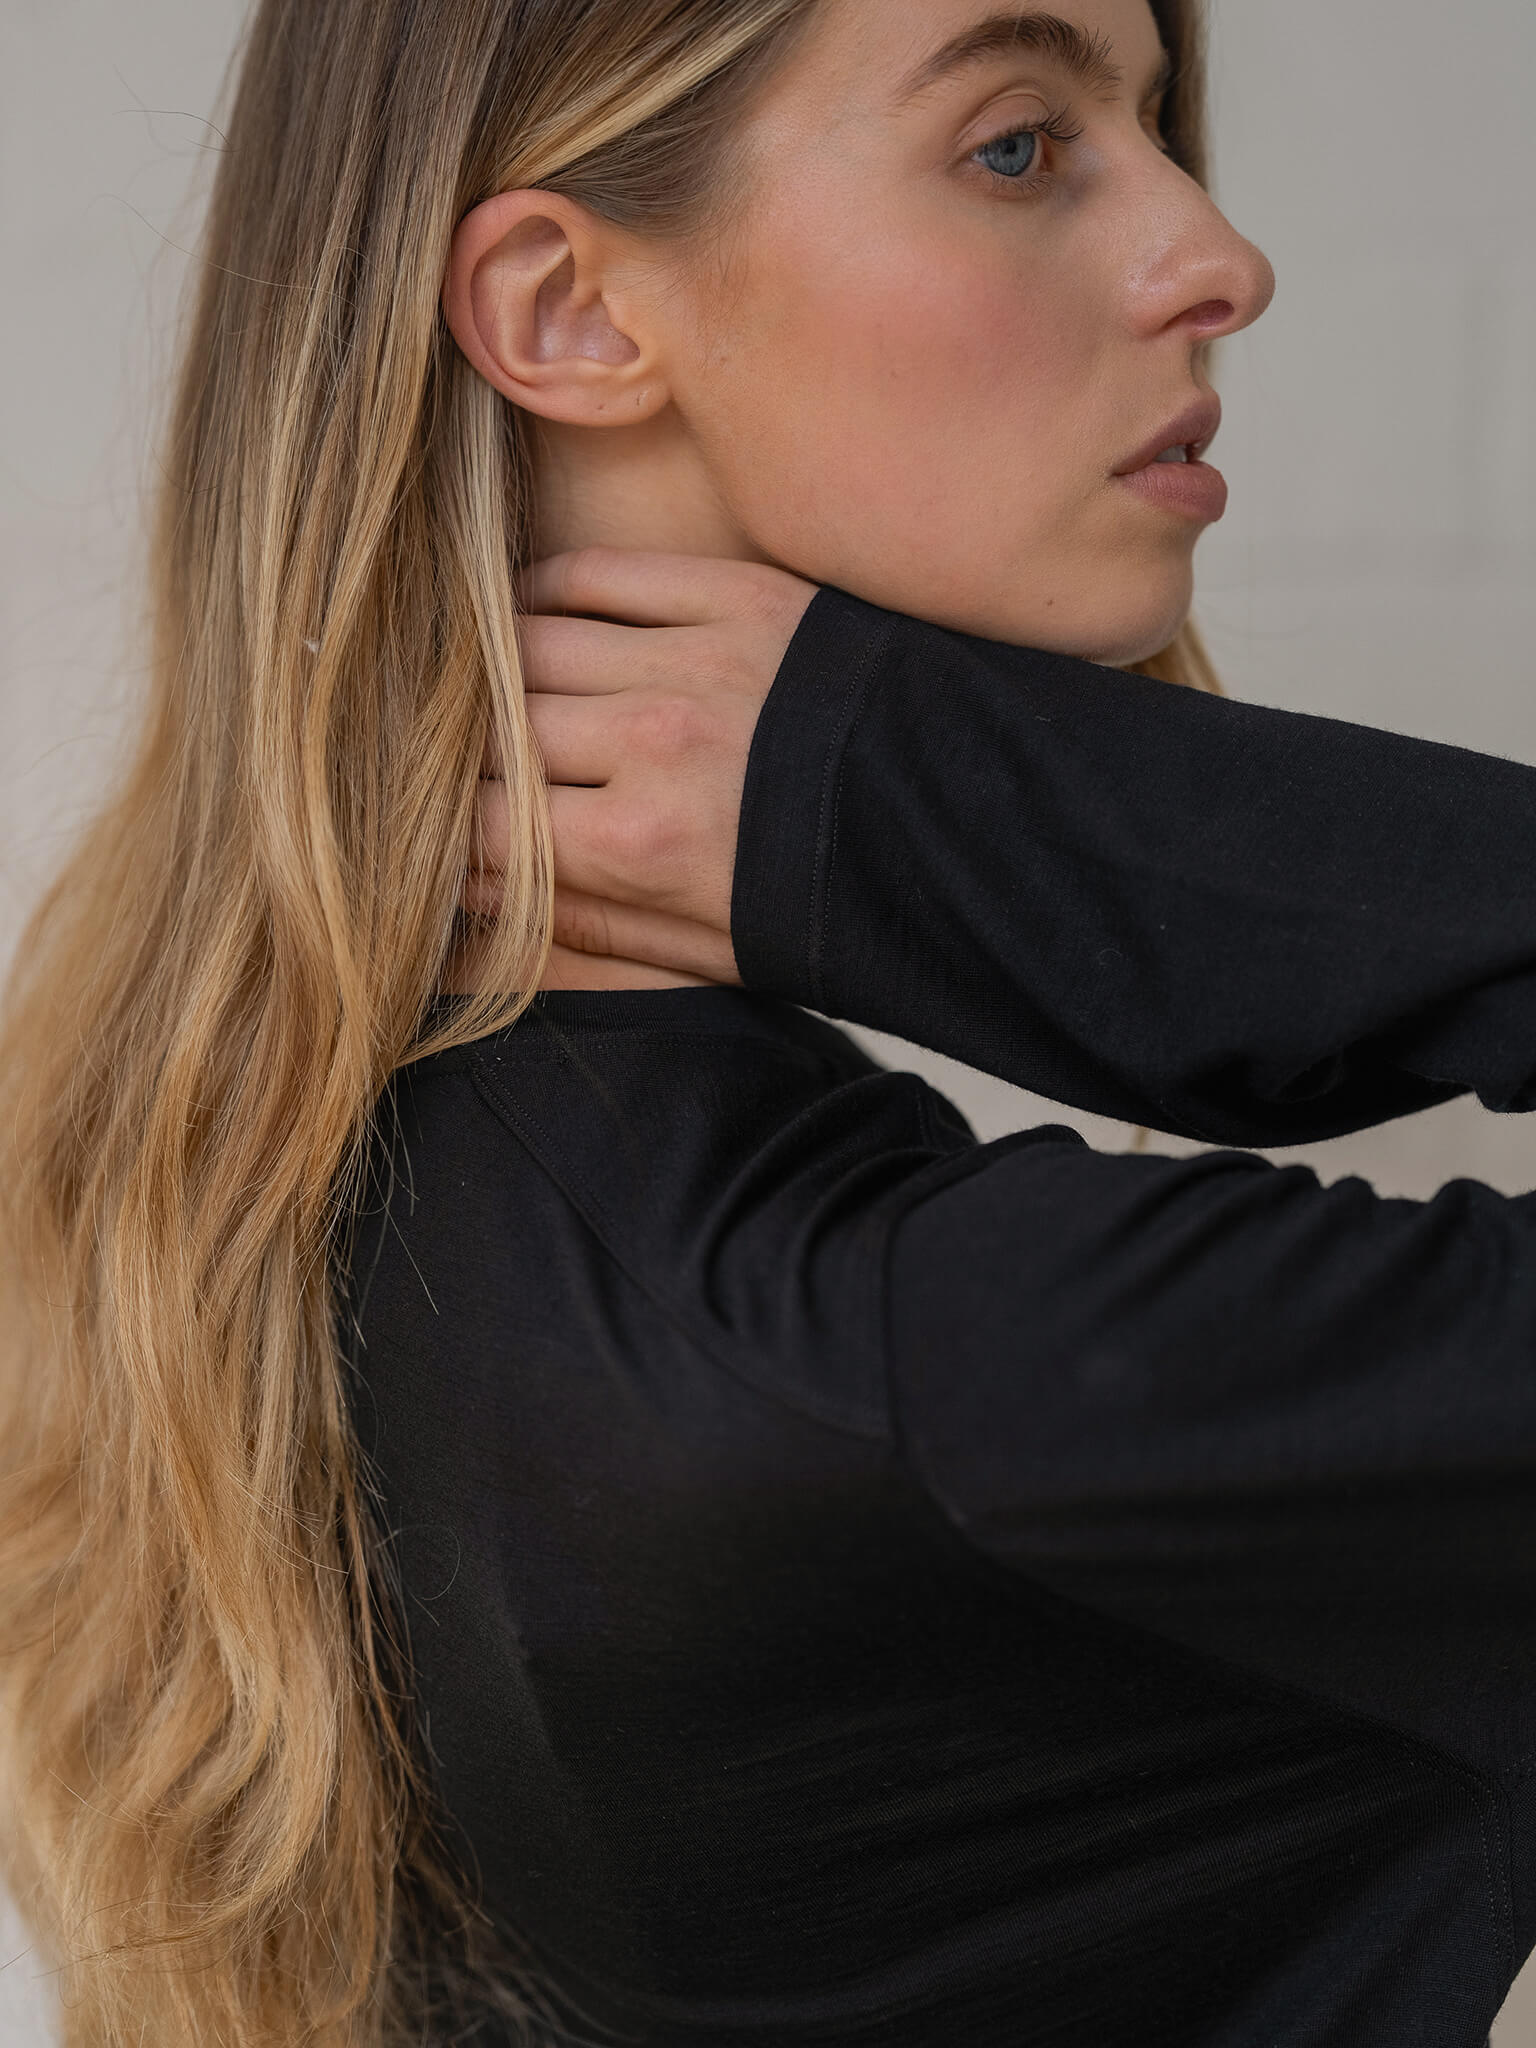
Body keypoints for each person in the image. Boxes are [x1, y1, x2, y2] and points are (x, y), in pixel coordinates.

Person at [0, 3, 1528, 2047]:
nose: (1216, 254)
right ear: (565, 308)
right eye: (1019, 145)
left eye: (1154, 126)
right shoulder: (885, 1356)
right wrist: (951, 810)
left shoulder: (399, 1189)